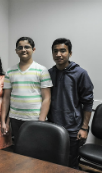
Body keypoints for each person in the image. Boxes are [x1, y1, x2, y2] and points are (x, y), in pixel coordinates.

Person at [48, 38, 94, 169]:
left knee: (70, 162)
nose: (58, 54)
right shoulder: (49, 73)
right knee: (53, 160)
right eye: (55, 51)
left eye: (63, 51)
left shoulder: (80, 73)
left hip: (73, 129)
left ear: (70, 53)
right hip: (53, 126)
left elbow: (88, 102)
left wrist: (84, 128)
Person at [1, 37, 53, 147]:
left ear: (33, 49)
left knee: (34, 150)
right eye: (20, 48)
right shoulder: (10, 71)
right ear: (16, 51)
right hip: (15, 118)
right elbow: (6, 98)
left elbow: (47, 98)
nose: (23, 50)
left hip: (34, 119)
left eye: (27, 47)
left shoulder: (42, 70)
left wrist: (41, 121)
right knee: (19, 148)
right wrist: (4, 121)